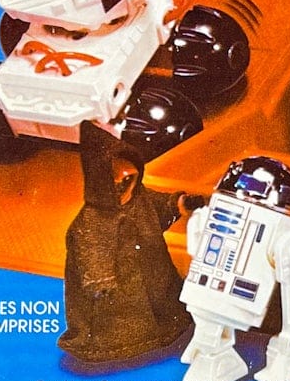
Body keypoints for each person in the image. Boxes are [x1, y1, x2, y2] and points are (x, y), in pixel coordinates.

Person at [59, 123, 197, 366]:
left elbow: (162, 206)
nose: (123, 186)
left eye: (129, 179)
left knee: (163, 303)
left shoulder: (141, 199)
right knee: (120, 321)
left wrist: (179, 204)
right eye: (116, 182)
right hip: (118, 291)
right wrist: (101, 281)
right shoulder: (91, 220)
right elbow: (91, 250)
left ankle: (165, 329)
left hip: (155, 277)